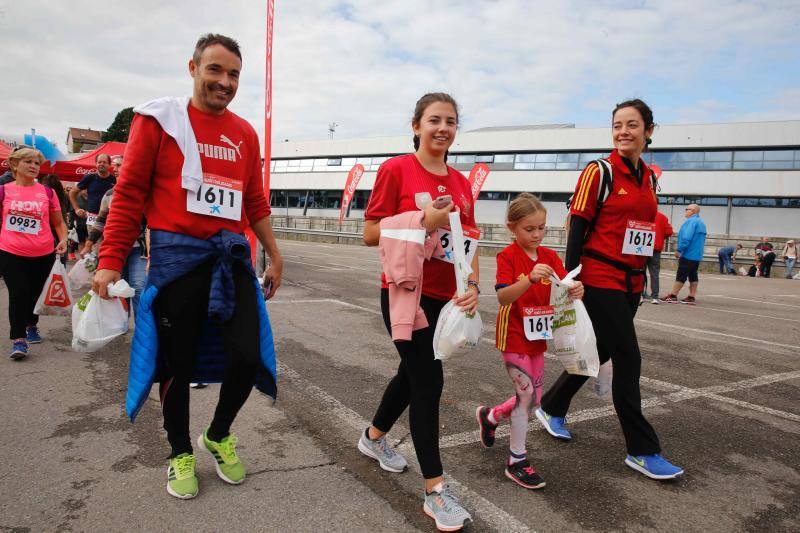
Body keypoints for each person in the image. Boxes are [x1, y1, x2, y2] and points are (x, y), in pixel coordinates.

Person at [93, 33, 283, 500]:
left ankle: (217, 434)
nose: (225, 81)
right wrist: (109, 260)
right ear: (193, 67)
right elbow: (130, 194)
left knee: (246, 356)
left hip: (232, 258)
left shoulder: (244, 133)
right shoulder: (159, 121)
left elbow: (255, 200)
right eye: (215, 70)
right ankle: (179, 452)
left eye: (234, 74)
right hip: (178, 261)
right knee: (175, 366)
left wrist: (274, 253)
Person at [537, 99, 683, 480]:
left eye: (632, 125)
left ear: (649, 131)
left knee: (599, 349)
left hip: (631, 279)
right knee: (628, 357)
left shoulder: (650, 177)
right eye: (617, 125)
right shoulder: (598, 171)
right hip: (599, 276)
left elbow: (643, 227)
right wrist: (571, 276)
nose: (623, 132)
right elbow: (578, 223)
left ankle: (552, 405)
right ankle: (642, 449)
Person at [359, 92, 477, 531]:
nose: (442, 128)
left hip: (447, 299)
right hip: (406, 294)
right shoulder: (395, 169)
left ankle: (373, 438)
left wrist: (473, 285)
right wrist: (420, 220)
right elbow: (371, 232)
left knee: (411, 376)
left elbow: (470, 240)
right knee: (429, 382)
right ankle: (436, 491)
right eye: (434, 120)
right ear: (416, 125)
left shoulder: (463, 183)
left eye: (450, 121)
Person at [475, 193, 583, 490]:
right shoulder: (507, 257)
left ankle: (491, 415)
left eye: (541, 228)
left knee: (534, 399)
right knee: (526, 398)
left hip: (538, 337)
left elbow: (565, 285)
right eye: (529, 229)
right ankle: (516, 460)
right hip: (513, 336)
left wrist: (576, 289)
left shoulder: (549, 257)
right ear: (513, 227)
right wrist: (529, 279)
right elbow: (502, 296)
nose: (536, 235)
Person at [0, 147, 67, 359]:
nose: (33, 166)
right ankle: (18, 339)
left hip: (43, 251)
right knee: (18, 292)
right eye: (28, 162)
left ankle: (31, 324)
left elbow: (58, 222)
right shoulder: (4, 190)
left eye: (37, 163)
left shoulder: (48, 192)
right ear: (15, 164)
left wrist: (64, 239)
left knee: (36, 292)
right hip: (11, 251)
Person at [82, 157, 148, 314]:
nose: (115, 168)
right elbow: (100, 221)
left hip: (138, 248)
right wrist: (89, 244)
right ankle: (120, 324)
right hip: (115, 249)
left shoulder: (143, 192)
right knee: (118, 289)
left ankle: (140, 330)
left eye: (119, 165)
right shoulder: (109, 195)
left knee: (138, 287)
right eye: (115, 165)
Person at [661, 204, 707, 304]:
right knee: (693, 275)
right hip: (697, 255)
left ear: (693, 211)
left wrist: (679, 250)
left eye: (687, 209)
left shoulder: (690, 222)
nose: (685, 211)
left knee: (681, 274)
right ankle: (691, 296)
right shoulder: (701, 223)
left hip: (688, 254)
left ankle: (673, 295)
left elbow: (686, 238)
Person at [68, 153, 116, 233]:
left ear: (109, 165)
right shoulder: (90, 177)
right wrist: (77, 209)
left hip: (110, 219)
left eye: (104, 162)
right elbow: (72, 192)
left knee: (109, 244)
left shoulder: (114, 180)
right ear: (96, 164)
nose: (101, 164)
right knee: (94, 244)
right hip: (93, 218)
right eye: (99, 162)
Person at [39, 174, 69, 267]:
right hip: (61, 229)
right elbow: (66, 210)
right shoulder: (64, 196)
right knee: (60, 258)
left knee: (44, 260)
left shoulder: (43, 195)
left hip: (46, 229)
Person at [645, 210, 672, 303]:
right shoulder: (663, 217)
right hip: (656, 247)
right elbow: (669, 232)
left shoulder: (643, 213)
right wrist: (660, 236)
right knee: (654, 273)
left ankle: (640, 294)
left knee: (640, 272)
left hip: (642, 247)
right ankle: (655, 296)